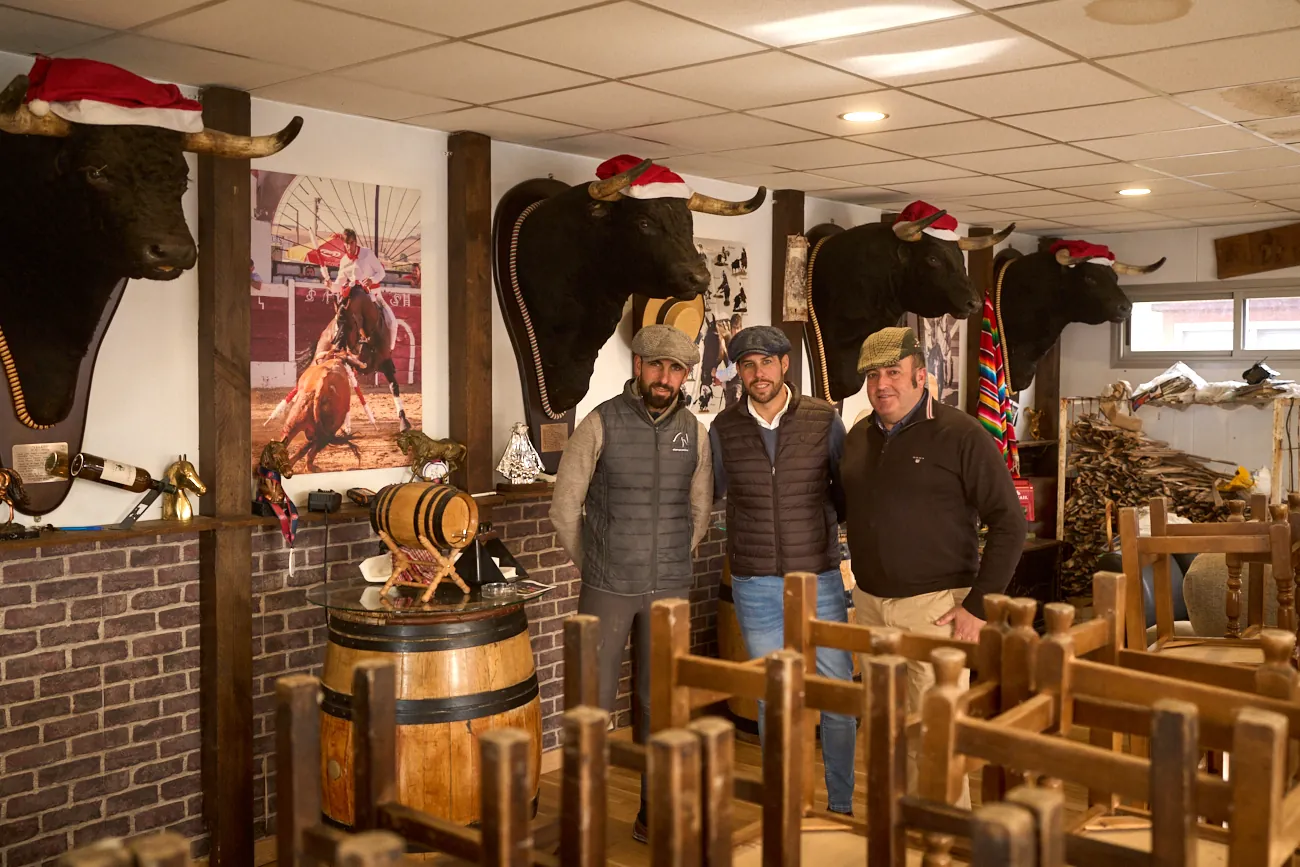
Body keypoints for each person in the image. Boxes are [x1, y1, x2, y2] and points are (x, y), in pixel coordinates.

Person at [843, 326, 1026, 808]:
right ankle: (897, 834)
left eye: (894, 373)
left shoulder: (961, 434)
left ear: (920, 376)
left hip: (937, 610)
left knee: (936, 734)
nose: (882, 384)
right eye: (873, 376)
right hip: (870, 608)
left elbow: (1011, 523)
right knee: (885, 732)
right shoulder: (859, 436)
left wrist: (978, 606)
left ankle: (950, 838)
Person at [549, 324, 713, 843]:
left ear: (685, 375)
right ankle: (586, 816)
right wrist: (597, 562)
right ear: (638, 366)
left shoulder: (696, 431)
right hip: (607, 588)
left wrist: (670, 559)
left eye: (676, 368)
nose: (665, 377)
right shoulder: (598, 424)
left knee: (659, 703)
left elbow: (700, 510)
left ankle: (654, 814)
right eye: (656, 365)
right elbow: (564, 508)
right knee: (591, 701)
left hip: (670, 589)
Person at [707, 325, 856, 816]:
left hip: (819, 575)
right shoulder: (723, 428)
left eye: (766, 363)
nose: (757, 374)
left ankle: (840, 804)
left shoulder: (822, 418)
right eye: (747, 365)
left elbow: (843, 492)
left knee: (835, 692)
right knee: (775, 695)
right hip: (753, 581)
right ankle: (785, 801)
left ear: (785, 364)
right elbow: (717, 492)